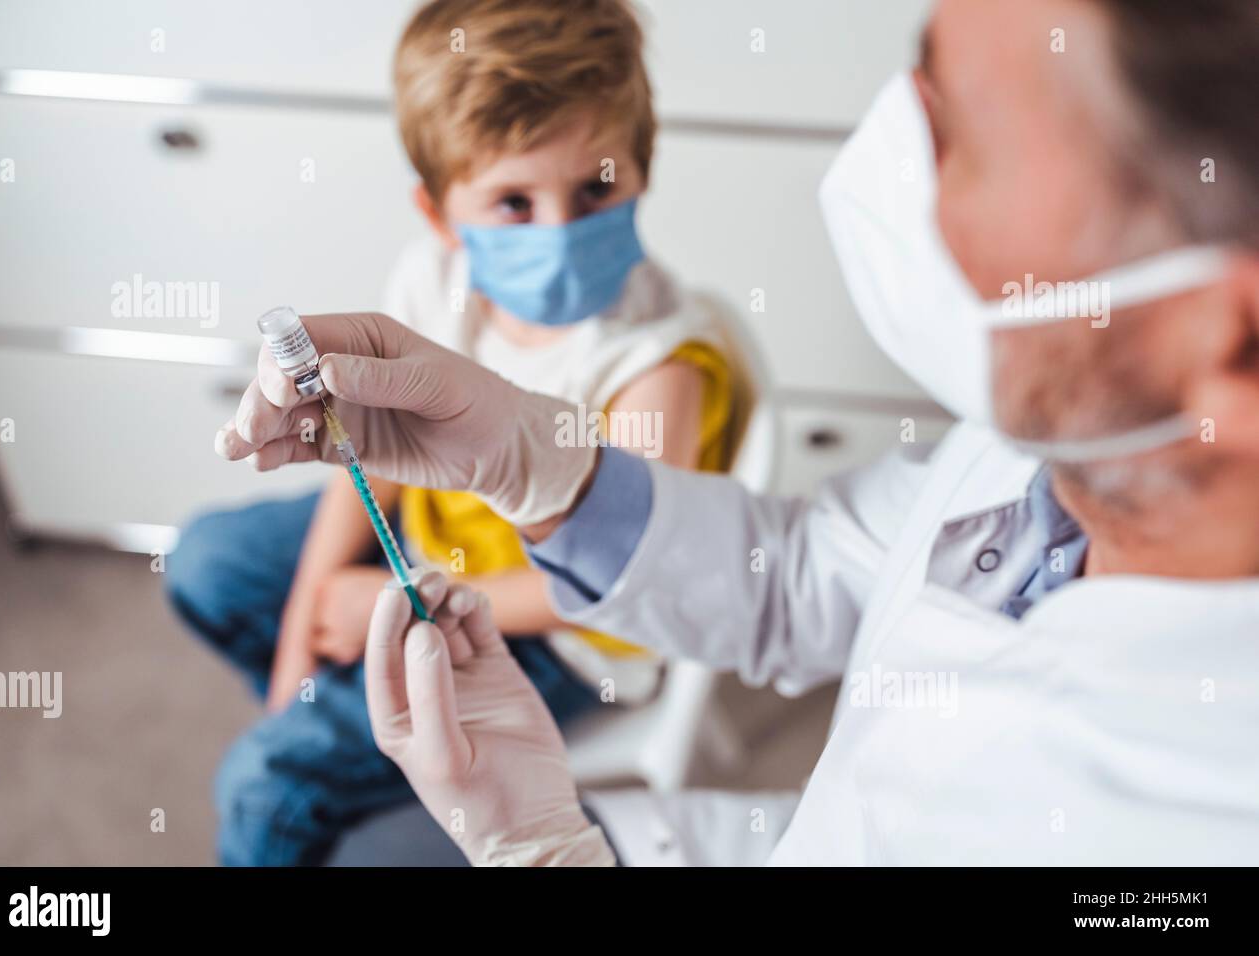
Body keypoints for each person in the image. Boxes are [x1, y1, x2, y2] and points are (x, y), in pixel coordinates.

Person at [218, 0, 1259, 865]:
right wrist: (545, 471)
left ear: (1228, 340)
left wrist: (544, 851)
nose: (887, 167)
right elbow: (804, 572)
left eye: (969, 139)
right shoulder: (1054, 448)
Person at [168, 0, 740, 866]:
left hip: (559, 634)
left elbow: (616, 583)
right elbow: (373, 459)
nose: (561, 231)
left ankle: (341, 756)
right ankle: (363, 738)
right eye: (513, 202)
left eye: (596, 187)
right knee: (207, 562)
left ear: (643, 167)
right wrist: (303, 636)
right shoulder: (432, 280)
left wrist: (389, 604)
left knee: (262, 783)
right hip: (431, 537)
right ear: (438, 213)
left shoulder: (654, 361)